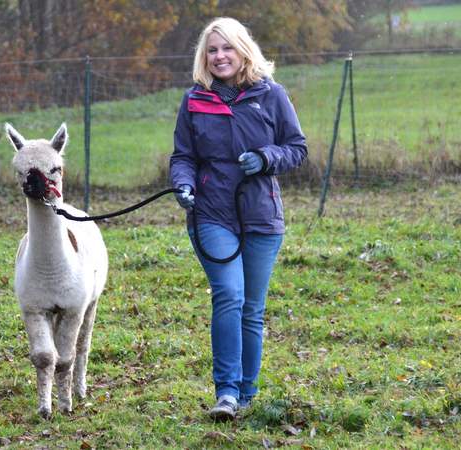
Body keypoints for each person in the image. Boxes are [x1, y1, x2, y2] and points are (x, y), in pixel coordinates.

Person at [169, 17, 308, 421]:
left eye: (226, 48)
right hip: (211, 214)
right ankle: (226, 392)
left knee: (252, 307)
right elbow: (183, 156)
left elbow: (296, 148)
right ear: (204, 57)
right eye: (212, 50)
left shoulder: (271, 95)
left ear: (243, 50)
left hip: (262, 217)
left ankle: (248, 393)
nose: (219, 57)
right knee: (228, 295)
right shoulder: (194, 100)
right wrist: (183, 184)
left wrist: (266, 158)